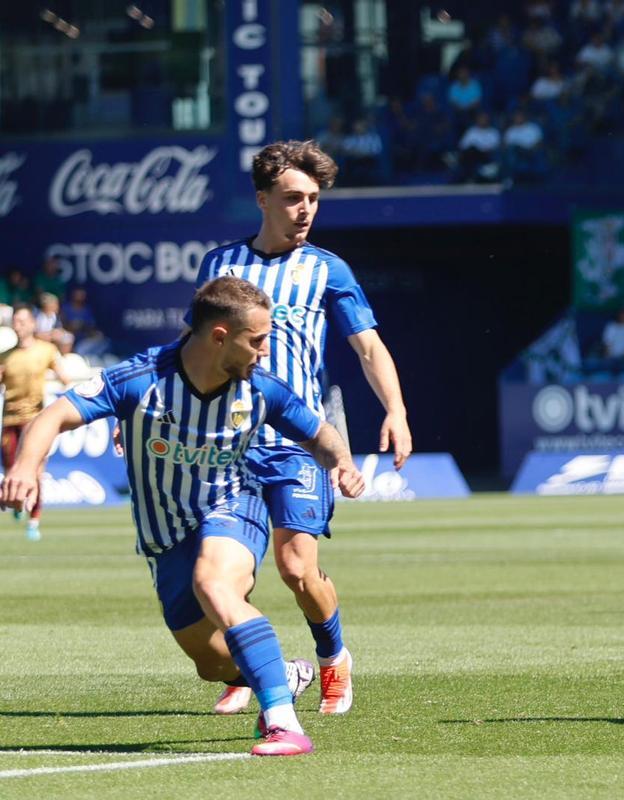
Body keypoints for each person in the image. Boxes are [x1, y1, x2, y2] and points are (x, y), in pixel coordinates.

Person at [2, 276, 367, 756]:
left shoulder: (262, 389)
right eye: (256, 340)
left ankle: (283, 723)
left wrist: (341, 462)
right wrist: (27, 467)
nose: (264, 351)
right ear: (220, 336)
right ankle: (288, 673)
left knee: (213, 583)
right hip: (162, 534)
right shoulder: (139, 380)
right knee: (211, 663)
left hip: (235, 503)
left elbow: (317, 431)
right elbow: (53, 416)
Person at [189, 141, 413, 718]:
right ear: (263, 199)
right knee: (223, 574)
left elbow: (368, 348)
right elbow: (191, 348)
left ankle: (334, 657)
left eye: (313, 199)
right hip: (226, 444)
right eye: (292, 198)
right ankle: (251, 669)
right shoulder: (220, 266)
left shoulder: (327, 270)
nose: (305, 209)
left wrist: (396, 411)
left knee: (296, 570)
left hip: (298, 443)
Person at [0, 305, 72, 541]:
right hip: (10, 419)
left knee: (35, 471)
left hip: (35, 421)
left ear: (32, 324)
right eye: (16, 322)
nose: (19, 326)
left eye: (23, 321)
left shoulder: (46, 350)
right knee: (12, 470)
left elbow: (63, 375)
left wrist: (64, 383)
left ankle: (34, 521)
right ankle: (19, 504)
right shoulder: (6, 356)